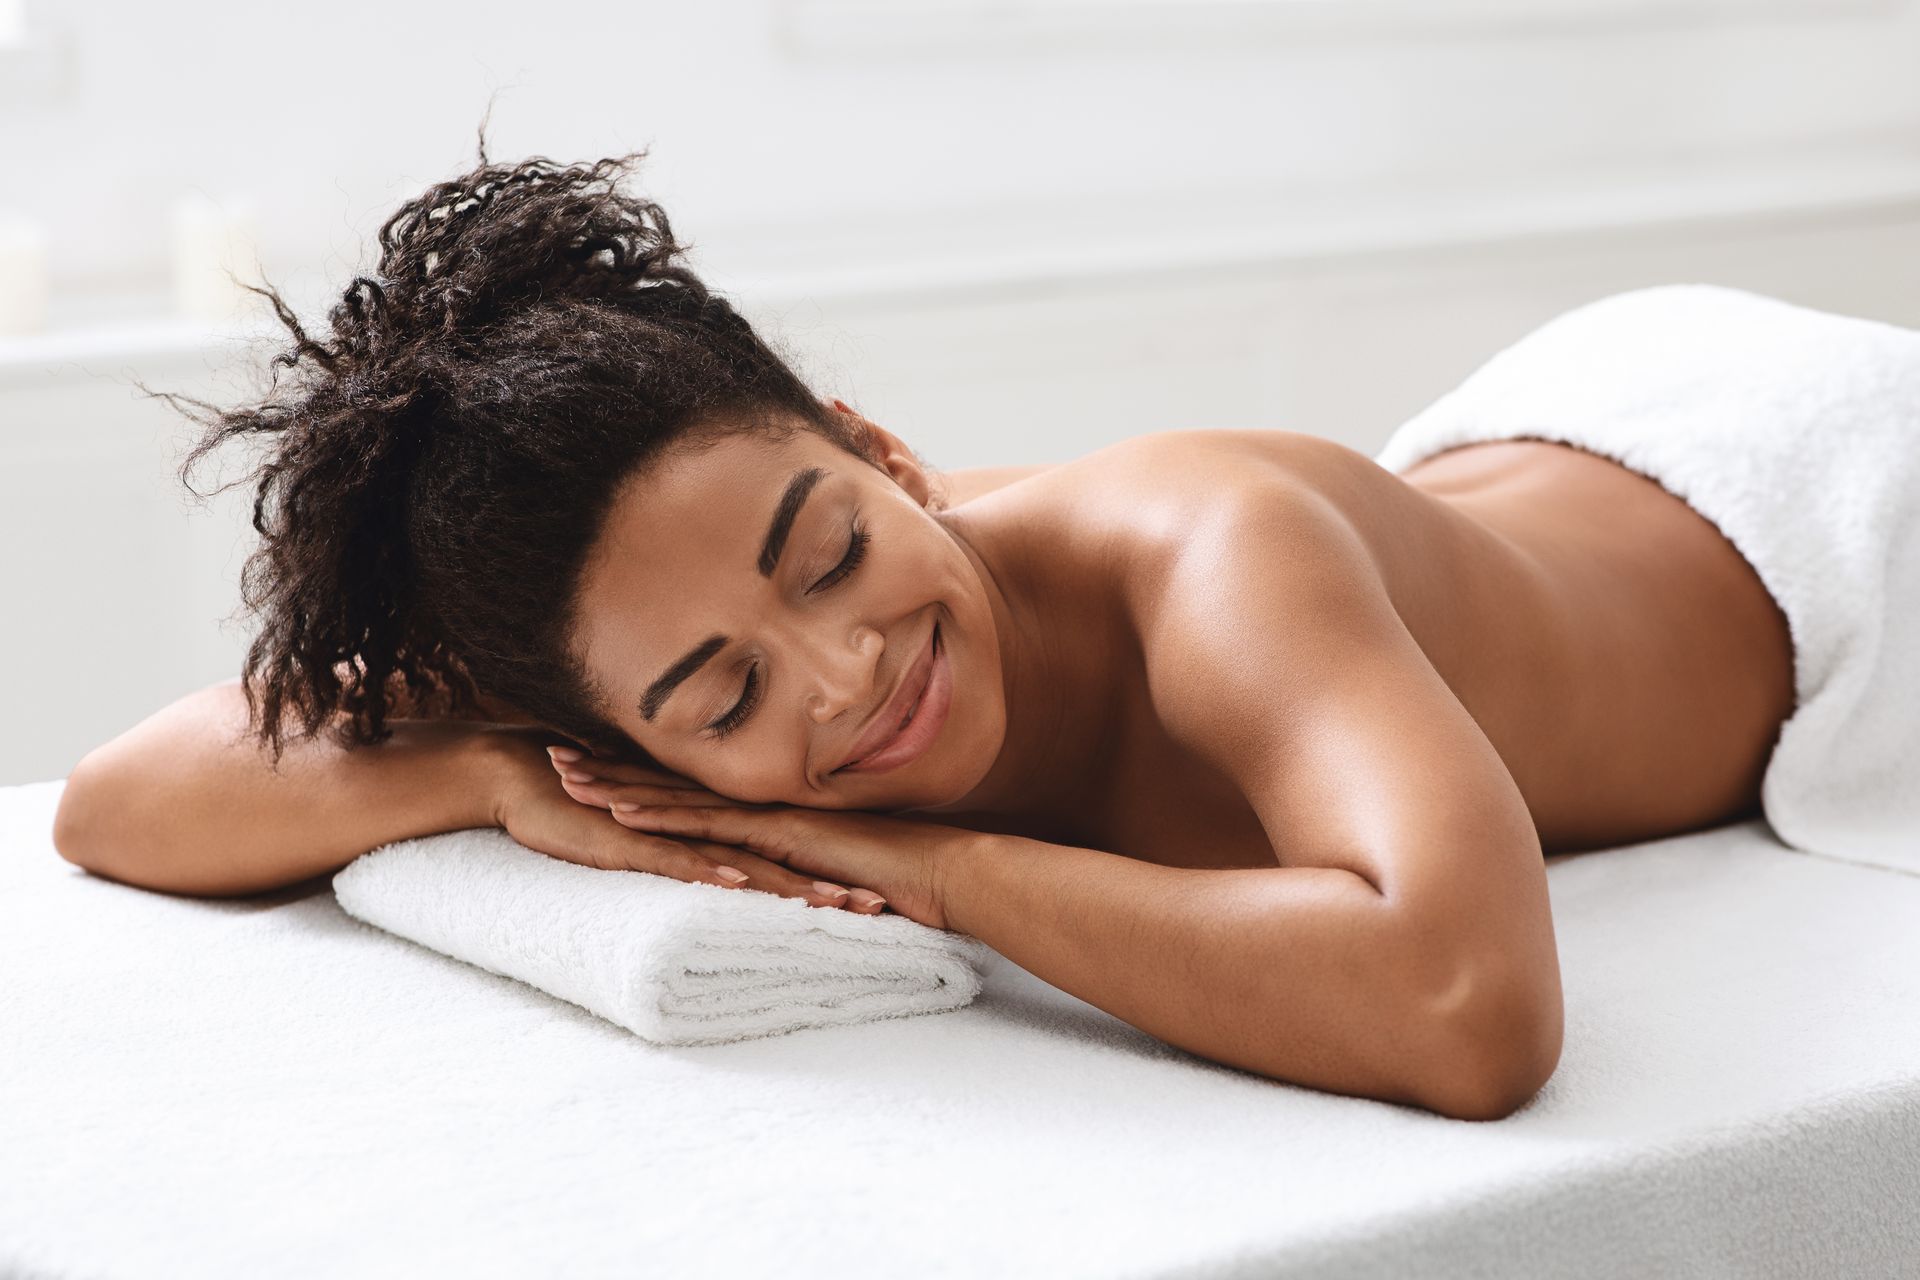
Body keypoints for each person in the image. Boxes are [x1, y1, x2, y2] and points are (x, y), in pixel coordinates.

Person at [49, 145, 1803, 1123]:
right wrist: (508, 786)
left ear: (876, 446)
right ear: (627, 734)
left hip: (1810, 506)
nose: (844, 672)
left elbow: (1466, 1008)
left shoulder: (1214, 550)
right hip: (1517, 473)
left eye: (828, 553)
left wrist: (927, 868)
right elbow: (119, 803)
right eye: (717, 694)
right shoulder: (622, 626)